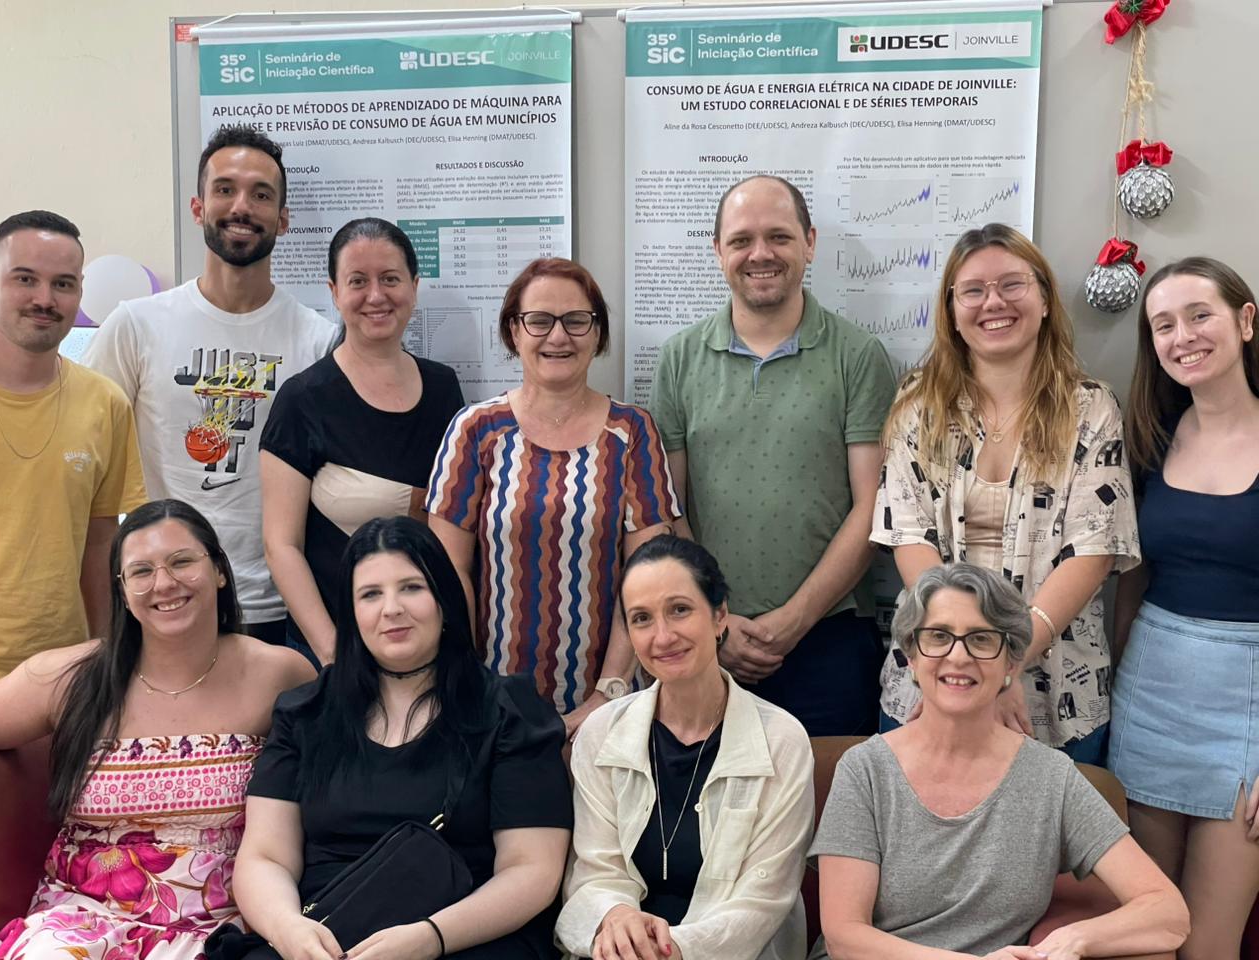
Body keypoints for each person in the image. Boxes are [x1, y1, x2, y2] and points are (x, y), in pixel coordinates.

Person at [0, 499, 315, 960]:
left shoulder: (277, 673)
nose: (164, 583)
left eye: (181, 561)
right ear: (121, 590)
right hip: (80, 921)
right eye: (141, 571)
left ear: (219, 569)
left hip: (220, 927)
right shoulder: (72, 677)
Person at [234, 516, 572, 960]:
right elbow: (264, 857)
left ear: (444, 599)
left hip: (466, 934)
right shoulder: (305, 714)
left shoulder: (509, 712)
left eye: (411, 587)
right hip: (325, 933)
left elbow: (532, 870)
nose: (391, 608)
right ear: (351, 614)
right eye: (370, 594)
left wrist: (430, 937)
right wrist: (289, 929)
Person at [814, 562, 1188, 960]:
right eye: (939, 636)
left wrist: (1072, 940)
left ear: (1011, 663)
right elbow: (844, 936)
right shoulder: (865, 770)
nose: (958, 657)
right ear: (912, 655)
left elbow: (1168, 913)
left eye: (981, 639)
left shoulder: (1051, 778)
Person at [873, 223, 1138, 762]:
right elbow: (909, 537)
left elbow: (1092, 552)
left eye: (1012, 284)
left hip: (1055, 689)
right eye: (972, 290)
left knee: (1048, 847)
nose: (993, 302)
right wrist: (964, 659)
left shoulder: (1092, 408)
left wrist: (1003, 664)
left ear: (1044, 298)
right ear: (951, 309)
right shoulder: (916, 406)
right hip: (930, 678)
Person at [649, 174, 895, 737]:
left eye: (779, 237)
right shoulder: (679, 359)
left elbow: (871, 508)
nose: (760, 254)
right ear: (718, 252)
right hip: (705, 641)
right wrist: (716, 623)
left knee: (828, 811)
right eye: (741, 240)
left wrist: (794, 619)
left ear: (809, 242)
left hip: (828, 638)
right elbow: (670, 508)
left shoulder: (858, 356)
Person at [83, 124, 338, 649]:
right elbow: (85, 462)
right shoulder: (136, 325)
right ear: (199, 207)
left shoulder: (319, 340)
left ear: (283, 219)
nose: (241, 206)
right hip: (163, 599)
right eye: (225, 189)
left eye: (261, 194)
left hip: (279, 609)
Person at [427, 258, 680, 733]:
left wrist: (607, 695)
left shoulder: (633, 432)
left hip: (616, 706)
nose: (558, 337)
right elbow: (447, 572)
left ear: (598, 333)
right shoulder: (476, 430)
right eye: (539, 321)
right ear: (513, 331)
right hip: (494, 706)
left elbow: (650, 579)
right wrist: (475, 688)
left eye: (577, 320)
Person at [557, 535, 814, 960]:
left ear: (719, 617)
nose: (662, 637)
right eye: (641, 619)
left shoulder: (782, 740)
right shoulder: (601, 732)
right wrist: (617, 919)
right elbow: (594, 873)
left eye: (679, 610)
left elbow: (762, 902)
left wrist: (673, 950)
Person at [1109, 257, 1259, 959]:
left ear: (1246, 320)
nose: (1183, 336)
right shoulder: (1149, 440)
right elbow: (1131, 584)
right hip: (1152, 692)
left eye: (1200, 315)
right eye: (1163, 324)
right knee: (1143, 938)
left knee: (1207, 946)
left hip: (1247, 711)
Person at [260, 218, 464, 664]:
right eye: (358, 281)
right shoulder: (302, 400)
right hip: (333, 646)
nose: (376, 296)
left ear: (414, 286)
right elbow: (282, 546)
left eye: (390, 279)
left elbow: (451, 523)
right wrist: (332, 654)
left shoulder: (445, 388)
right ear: (334, 292)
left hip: (424, 643)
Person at [0, 209, 146, 683]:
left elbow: (99, 546)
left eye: (63, 284)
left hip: (62, 676)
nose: (44, 299)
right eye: (25, 279)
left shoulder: (106, 404)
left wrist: (107, 661)